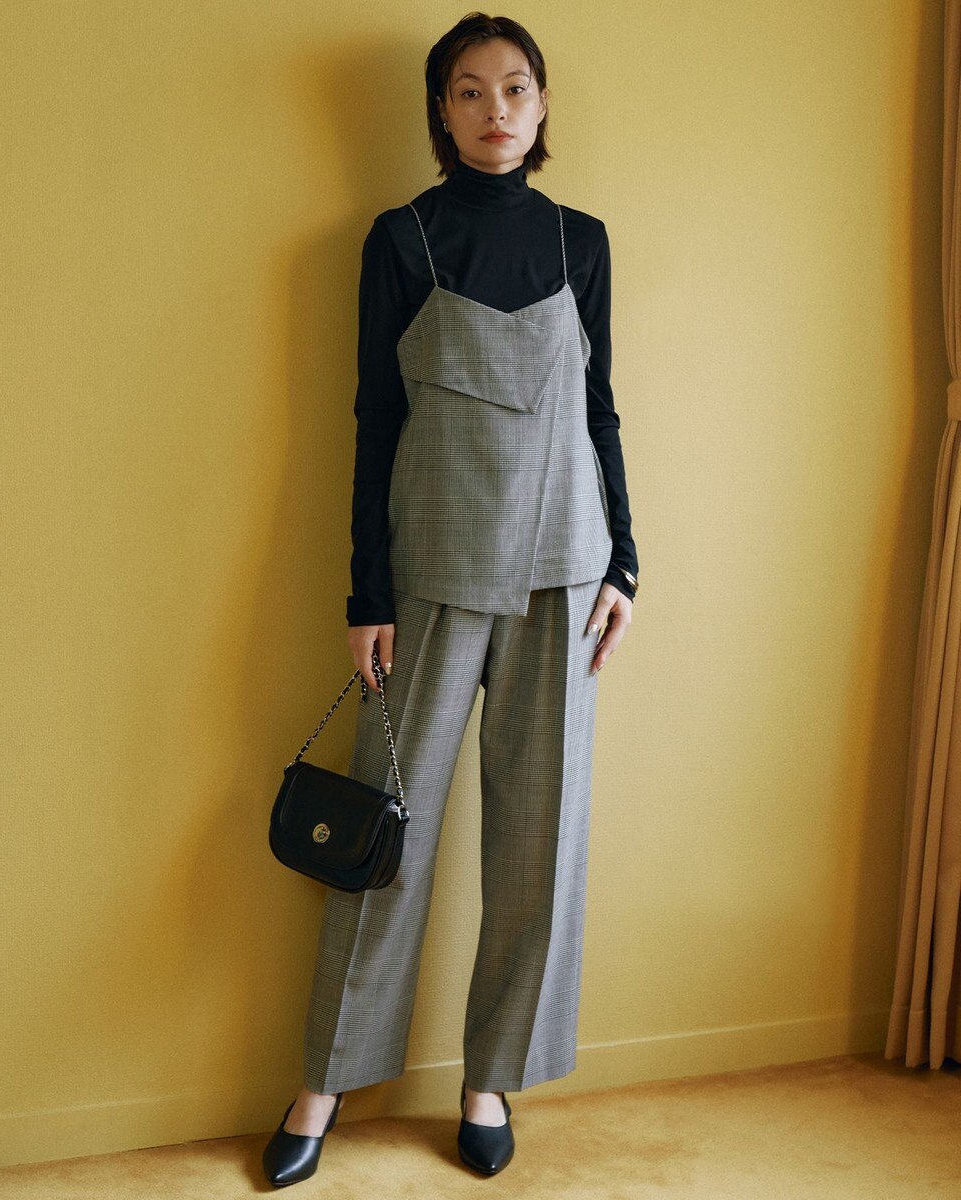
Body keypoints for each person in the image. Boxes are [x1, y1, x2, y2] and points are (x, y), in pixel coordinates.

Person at [263, 11, 639, 1188]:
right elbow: (375, 418)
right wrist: (363, 590)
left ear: (541, 104)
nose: (494, 110)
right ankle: (325, 1080)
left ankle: (490, 1080)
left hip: (564, 568)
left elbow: (599, 411)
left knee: (539, 837)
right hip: (429, 569)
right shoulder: (401, 239)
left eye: (514, 87)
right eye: (469, 91)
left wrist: (625, 562)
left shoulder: (581, 241)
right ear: (440, 110)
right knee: (387, 835)